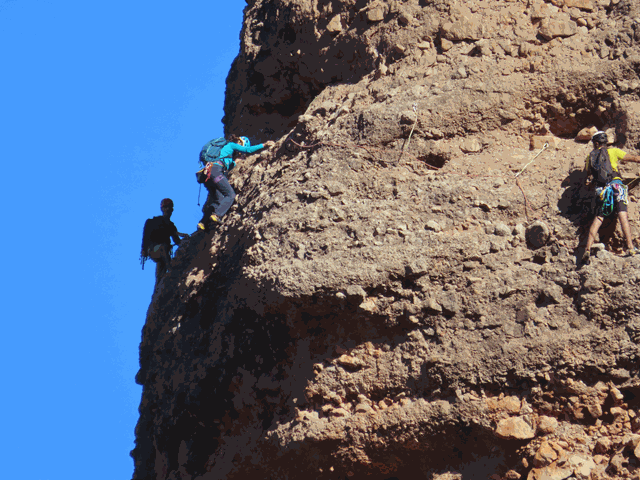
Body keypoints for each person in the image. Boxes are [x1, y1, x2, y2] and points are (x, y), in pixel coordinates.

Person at [582, 131, 640, 263]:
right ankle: (631, 248)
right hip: (616, 186)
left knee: (599, 218)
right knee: (622, 215)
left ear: (596, 143)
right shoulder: (613, 151)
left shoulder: (590, 156)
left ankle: (587, 249)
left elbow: (587, 174)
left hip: (602, 190)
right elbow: (635, 159)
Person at [197, 135, 274, 231]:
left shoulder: (224, 153)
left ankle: (202, 223)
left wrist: (236, 161)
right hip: (215, 171)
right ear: (240, 143)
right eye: (241, 147)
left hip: (207, 175)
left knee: (218, 200)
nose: (240, 151)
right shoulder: (231, 145)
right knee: (230, 195)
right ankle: (216, 215)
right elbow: (248, 150)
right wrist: (264, 144)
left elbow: (228, 165)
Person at [141, 198, 189, 283]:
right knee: (163, 248)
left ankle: (159, 288)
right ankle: (171, 270)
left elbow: (177, 241)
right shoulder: (153, 221)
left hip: (163, 252)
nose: (167, 209)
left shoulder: (170, 225)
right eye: (166, 207)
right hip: (154, 250)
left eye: (169, 207)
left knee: (160, 275)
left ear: (172, 209)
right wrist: (144, 249)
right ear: (162, 209)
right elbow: (145, 236)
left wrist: (186, 240)